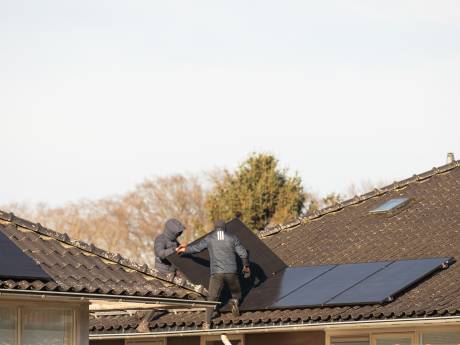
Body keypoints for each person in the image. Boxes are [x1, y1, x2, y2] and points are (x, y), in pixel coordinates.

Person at [176, 220, 250, 317]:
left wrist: (185, 249)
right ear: (224, 228)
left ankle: (207, 322)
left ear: (215, 228)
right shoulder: (232, 238)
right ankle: (235, 301)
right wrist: (246, 266)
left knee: (211, 298)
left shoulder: (210, 238)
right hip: (231, 272)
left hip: (216, 274)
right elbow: (243, 253)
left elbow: (197, 248)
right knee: (237, 293)